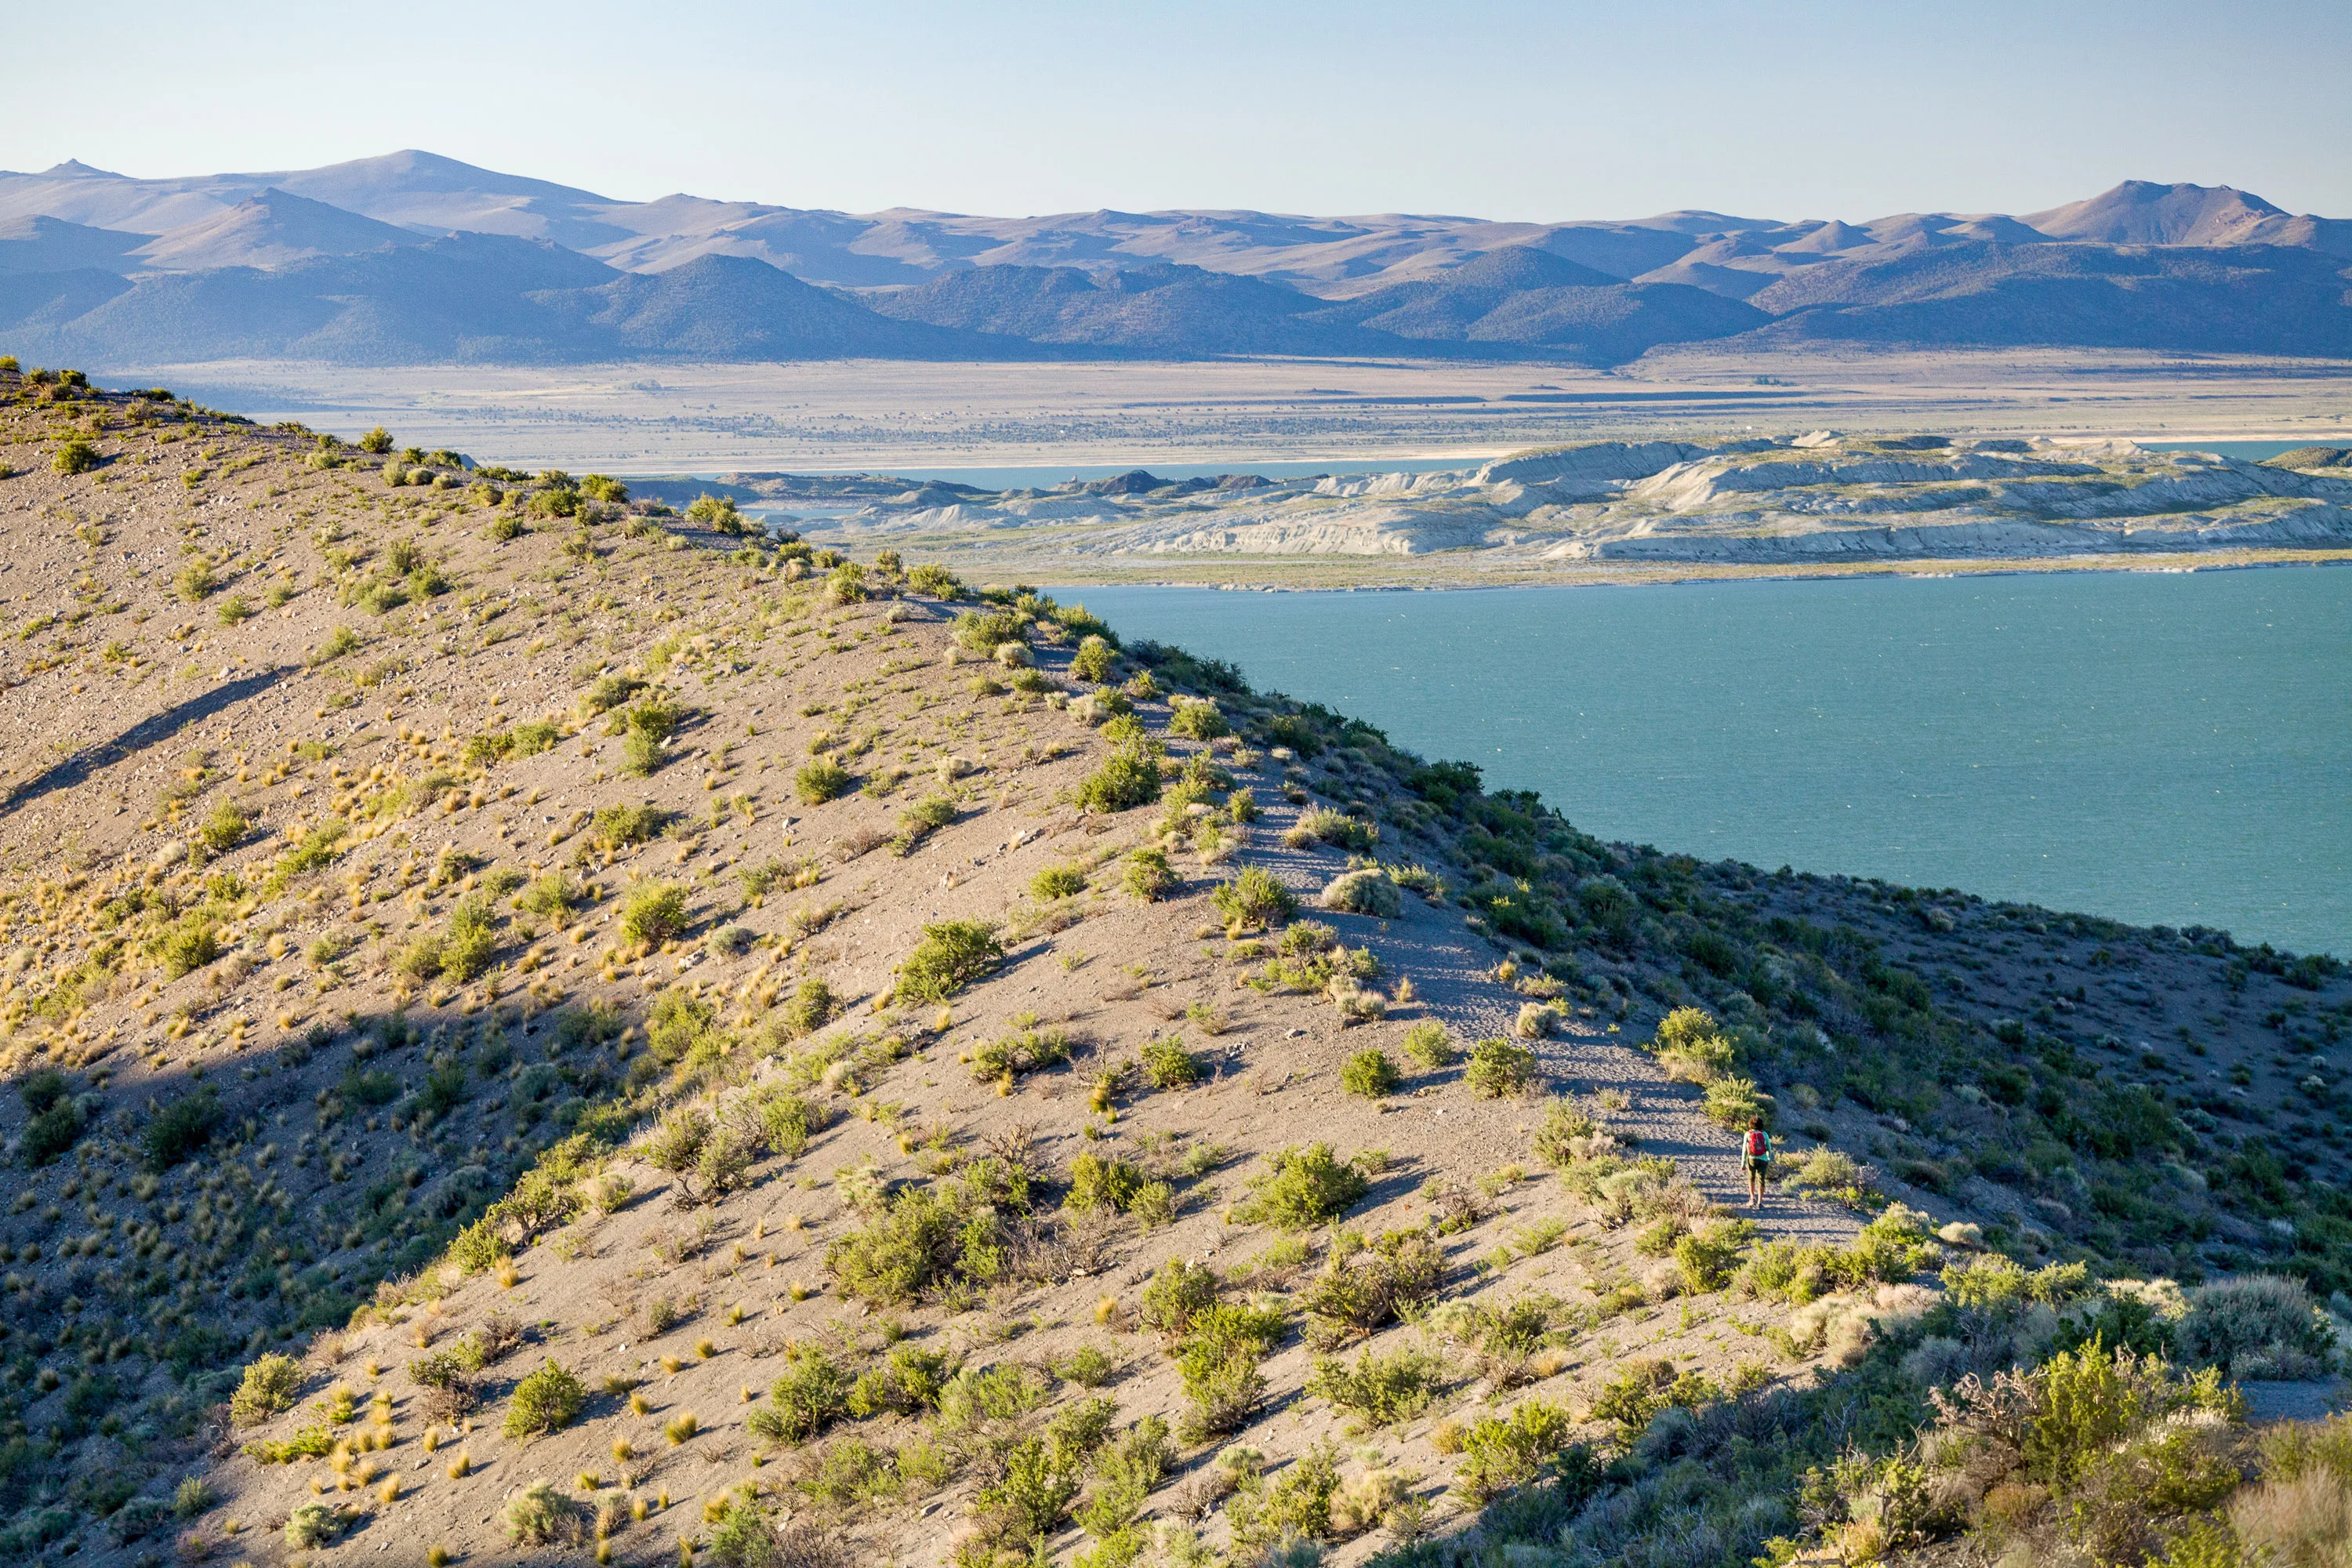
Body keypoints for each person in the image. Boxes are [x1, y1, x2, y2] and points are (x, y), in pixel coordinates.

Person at [1741, 1116, 1772, 1209]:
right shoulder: (1765, 1134)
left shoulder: (1748, 1134)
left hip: (1752, 1159)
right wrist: (1768, 1158)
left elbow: (1744, 1150)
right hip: (1763, 1160)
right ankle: (1760, 1202)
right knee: (1761, 1181)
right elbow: (1769, 1148)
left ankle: (1752, 1199)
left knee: (1751, 1179)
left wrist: (1743, 1163)